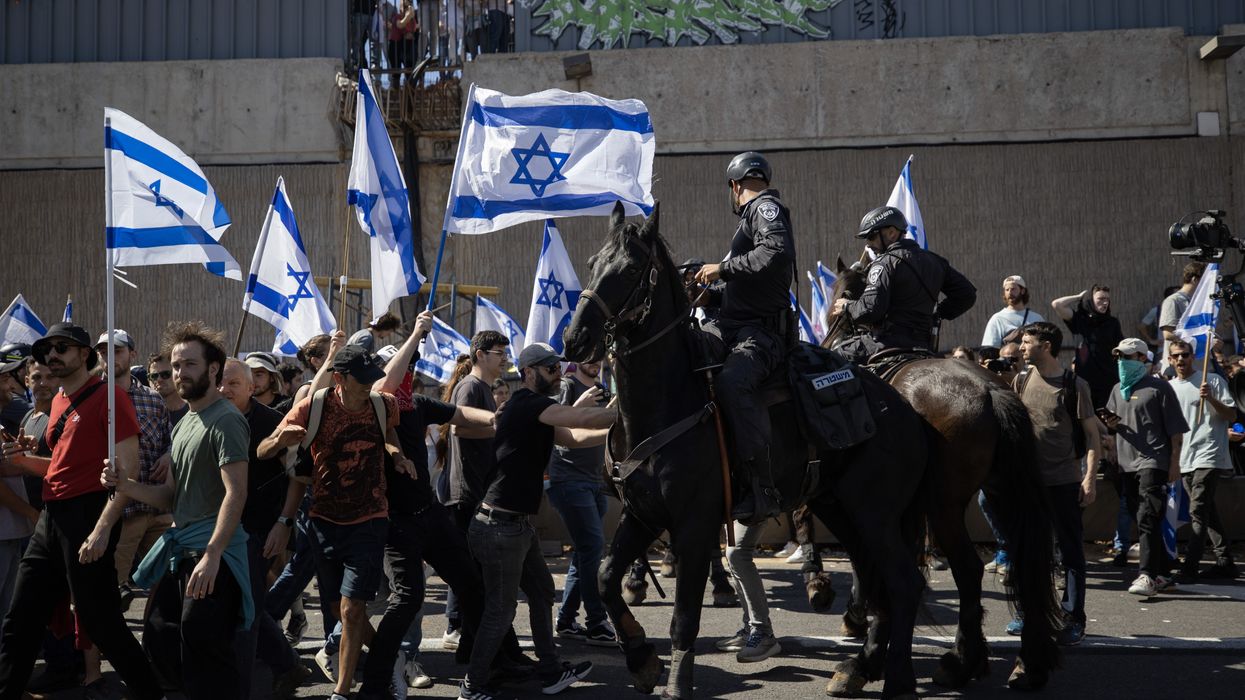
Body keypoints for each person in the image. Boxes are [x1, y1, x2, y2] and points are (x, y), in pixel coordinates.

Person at [0, 323, 164, 700]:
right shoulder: (58, 400)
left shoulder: (110, 397)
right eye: (48, 349)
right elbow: (60, 468)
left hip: (88, 516)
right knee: (20, 619)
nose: (53, 354)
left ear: (85, 355)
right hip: (50, 516)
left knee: (101, 622)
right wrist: (24, 461)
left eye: (63, 347)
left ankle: (150, 694)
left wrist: (103, 528)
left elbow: (128, 471)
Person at [351, 312, 501, 700]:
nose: (410, 369)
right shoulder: (371, 405)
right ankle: (376, 682)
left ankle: (485, 659)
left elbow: (459, 413)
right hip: (395, 523)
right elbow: (385, 384)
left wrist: (499, 418)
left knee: (471, 582)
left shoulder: (417, 403)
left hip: (430, 514)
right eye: (404, 362)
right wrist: (417, 333)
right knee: (406, 600)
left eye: (414, 363)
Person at [103, 323, 250, 700]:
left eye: (189, 364)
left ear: (213, 369)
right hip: (182, 549)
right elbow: (171, 496)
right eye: (174, 365)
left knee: (204, 646)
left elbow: (236, 493)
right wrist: (125, 485)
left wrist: (213, 554)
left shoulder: (227, 419)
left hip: (212, 551)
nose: (179, 373)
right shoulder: (184, 422)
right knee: (160, 634)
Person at [460, 342, 614, 700]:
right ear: (529, 373)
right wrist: (628, 412)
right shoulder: (530, 404)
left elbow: (574, 437)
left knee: (543, 591)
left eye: (557, 367)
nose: (557, 373)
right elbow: (581, 419)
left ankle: (549, 670)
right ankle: (473, 686)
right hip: (499, 526)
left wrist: (614, 429)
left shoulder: (536, 409)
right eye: (549, 369)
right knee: (501, 611)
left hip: (515, 526)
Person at [260, 343, 405, 700]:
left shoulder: (382, 404)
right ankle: (390, 655)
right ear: (338, 378)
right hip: (323, 519)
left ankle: (341, 690)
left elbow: (390, 437)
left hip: (370, 516)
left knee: (353, 607)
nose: (370, 385)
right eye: (362, 380)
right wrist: (282, 437)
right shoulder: (314, 406)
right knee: (337, 609)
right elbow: (263, 450)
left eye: (373, 378)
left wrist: (398, 456)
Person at [692, 151, 796, 524]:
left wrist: (721, 269)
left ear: (734, 186)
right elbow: (745, 288)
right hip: (731, 325)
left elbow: (776, 252)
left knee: (734, 383)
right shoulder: (749, 221)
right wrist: (711, 295)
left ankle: (761, 486)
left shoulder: (766, 208)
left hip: (761, 333)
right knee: (687, 354)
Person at [83, 330, 174, 692]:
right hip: (113, 513)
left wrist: (169, 453)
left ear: (131, 353)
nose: (109, 356)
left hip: (155, 507)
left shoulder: (153, 400)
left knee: (168, 588)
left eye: (117, 350)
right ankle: (95, 674)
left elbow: (169, 440)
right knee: (102, 598)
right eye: (103, 350)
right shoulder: (90, 396)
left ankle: (158, 660)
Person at [217, 358, 309, 699]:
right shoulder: (209, 417)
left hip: (260, 530)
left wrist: (284, 524)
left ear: (252, 387)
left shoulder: (273, 422)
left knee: (246, 612)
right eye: (219, 383)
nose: (224, 390)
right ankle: (287, 664)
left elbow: (297, 479)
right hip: (219, 530)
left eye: (233, 384)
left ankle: (243, 687)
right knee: (243, 605)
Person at [1010, 322, 1100, 645]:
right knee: (1031, 551)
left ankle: (1073, 617)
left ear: (1045, 346)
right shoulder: (1021, 379)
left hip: (1064, 482)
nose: (1021, 347)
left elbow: (1093, 438)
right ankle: (1030, 612)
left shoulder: (1075, 385)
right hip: (1030, 484)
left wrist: (1089, 478)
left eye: (1026, 341)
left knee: (1071, 554)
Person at [832, 205, 977, 361]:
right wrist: (938, 313)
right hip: (924, 345)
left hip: (886, 344)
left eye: (872, 236)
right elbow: (966, 295)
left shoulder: (884, 263)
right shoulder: (936, 261)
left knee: (833, 357)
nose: (868, 243)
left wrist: (848, 306)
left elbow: (871, 310)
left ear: (892, 233)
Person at [1102, 338, 1188, 597]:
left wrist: (1174, 463)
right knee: (1143, 517)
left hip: (1154, 460)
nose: (1122, 362)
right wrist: (1111, 436)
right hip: (1126, 464)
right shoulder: (1117, 389)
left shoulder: (1160, 387)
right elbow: (1114, 427)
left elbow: (1176, 432)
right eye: (1119, 357)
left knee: (1147, 517)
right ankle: (1163, 573)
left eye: (1127, 356)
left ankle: (1147, 575)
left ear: (1142, 358)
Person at [442, 330, 509, 647]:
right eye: (499, 352)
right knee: (473, 576)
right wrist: (500, 433)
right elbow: (457, 428)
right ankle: (466, 638)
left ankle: (472, 643)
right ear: (480, 354)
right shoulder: (469, 386)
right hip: (466, 493)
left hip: (479, 491)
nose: (505, 358)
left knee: (476, 575)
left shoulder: (483, 387)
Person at [546, 360, 617, 646]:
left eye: (597, 356)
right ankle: (596, 621)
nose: (594, 361)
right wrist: (579, 403)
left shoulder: (600, 389)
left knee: (585, 553)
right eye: (588, 357)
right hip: (568, 480)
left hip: (593, 481)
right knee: (591, 548)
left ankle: (566, 620)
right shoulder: (567, 385)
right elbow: (556, 426)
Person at [1165, 339, 1238, 581]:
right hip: (1185, 457)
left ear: (1192, 355)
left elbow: (1231, 414)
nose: (1180, 360)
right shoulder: (1171, 387)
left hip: (1209, 453)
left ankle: (1190, 567)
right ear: (1169, 359)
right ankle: (1225, 560)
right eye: (1175, 356)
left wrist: (1211, 399)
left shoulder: (1212, 381)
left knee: (1197, 510)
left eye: (1184, 355)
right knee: (1206, 511)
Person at [0, 350, 35, 619]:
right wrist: (31, 513)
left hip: (9, 533)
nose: (11, 386)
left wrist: (24, 458)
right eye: (4, 380)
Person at [1052, 284, 1125, 409]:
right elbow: (1057, 304)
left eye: (1107, 299)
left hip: (1108, 380)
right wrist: (1077, 297)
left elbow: (1121, 347)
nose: (1105, 302)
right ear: (1091, 300)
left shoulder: (1112, 323)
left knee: (1107, 418)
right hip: (1085, 381)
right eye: (1100, 299)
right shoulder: (1080, 320)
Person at [1159, 263, 1207, 363]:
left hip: (1200, 362)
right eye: (1205, 281)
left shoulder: (1197, 302)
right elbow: (1168, 334)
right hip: (1181, 364)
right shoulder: (1173, 300)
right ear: (1195, 280)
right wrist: (1204, 341)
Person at [981, 275, 1045, 348]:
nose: (1010, 293)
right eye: (1007, 290)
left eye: (1013, 289)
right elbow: (990, 348)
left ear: (1022, 291)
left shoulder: (1036, 318)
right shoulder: (997, 318)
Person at [148, 353, 189, 425]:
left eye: (165, 374)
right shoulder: (146, 412)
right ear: (149, 380)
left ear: (176, 375)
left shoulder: (193, 409)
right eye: (154, 376)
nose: (159, 379)